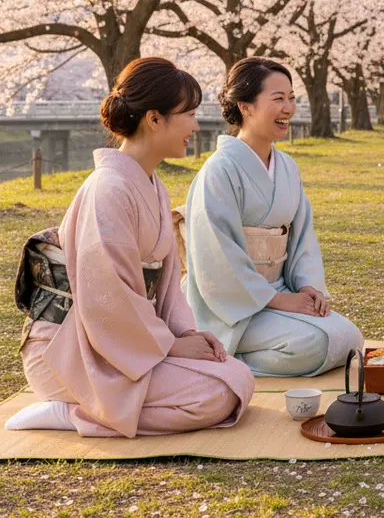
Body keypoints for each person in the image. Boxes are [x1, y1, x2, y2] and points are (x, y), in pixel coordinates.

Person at [7, 58, 254, 437]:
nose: (195, 125)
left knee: (235, 376)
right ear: (154, 119)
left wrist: (185, 334)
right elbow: (108, 299)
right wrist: (170, 346)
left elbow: (169, 285)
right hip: (72, 348)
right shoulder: (108, 189)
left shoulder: (151, 184)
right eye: (187, 114)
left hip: (127, 343)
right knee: (216, 394)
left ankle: (96, 405)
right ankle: (70, 411)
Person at [180, 57, 362, 377]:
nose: (288, 108)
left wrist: (307, 288)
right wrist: (276, 300)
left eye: (291, 98)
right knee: (314, 344)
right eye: (278, 99)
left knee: (349, 338)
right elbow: (216, 256)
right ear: (245, 107)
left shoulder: (288, 167)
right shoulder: (219, 170)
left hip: (280, 292)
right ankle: (225, 361)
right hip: (230, 306)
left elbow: (302, 236)